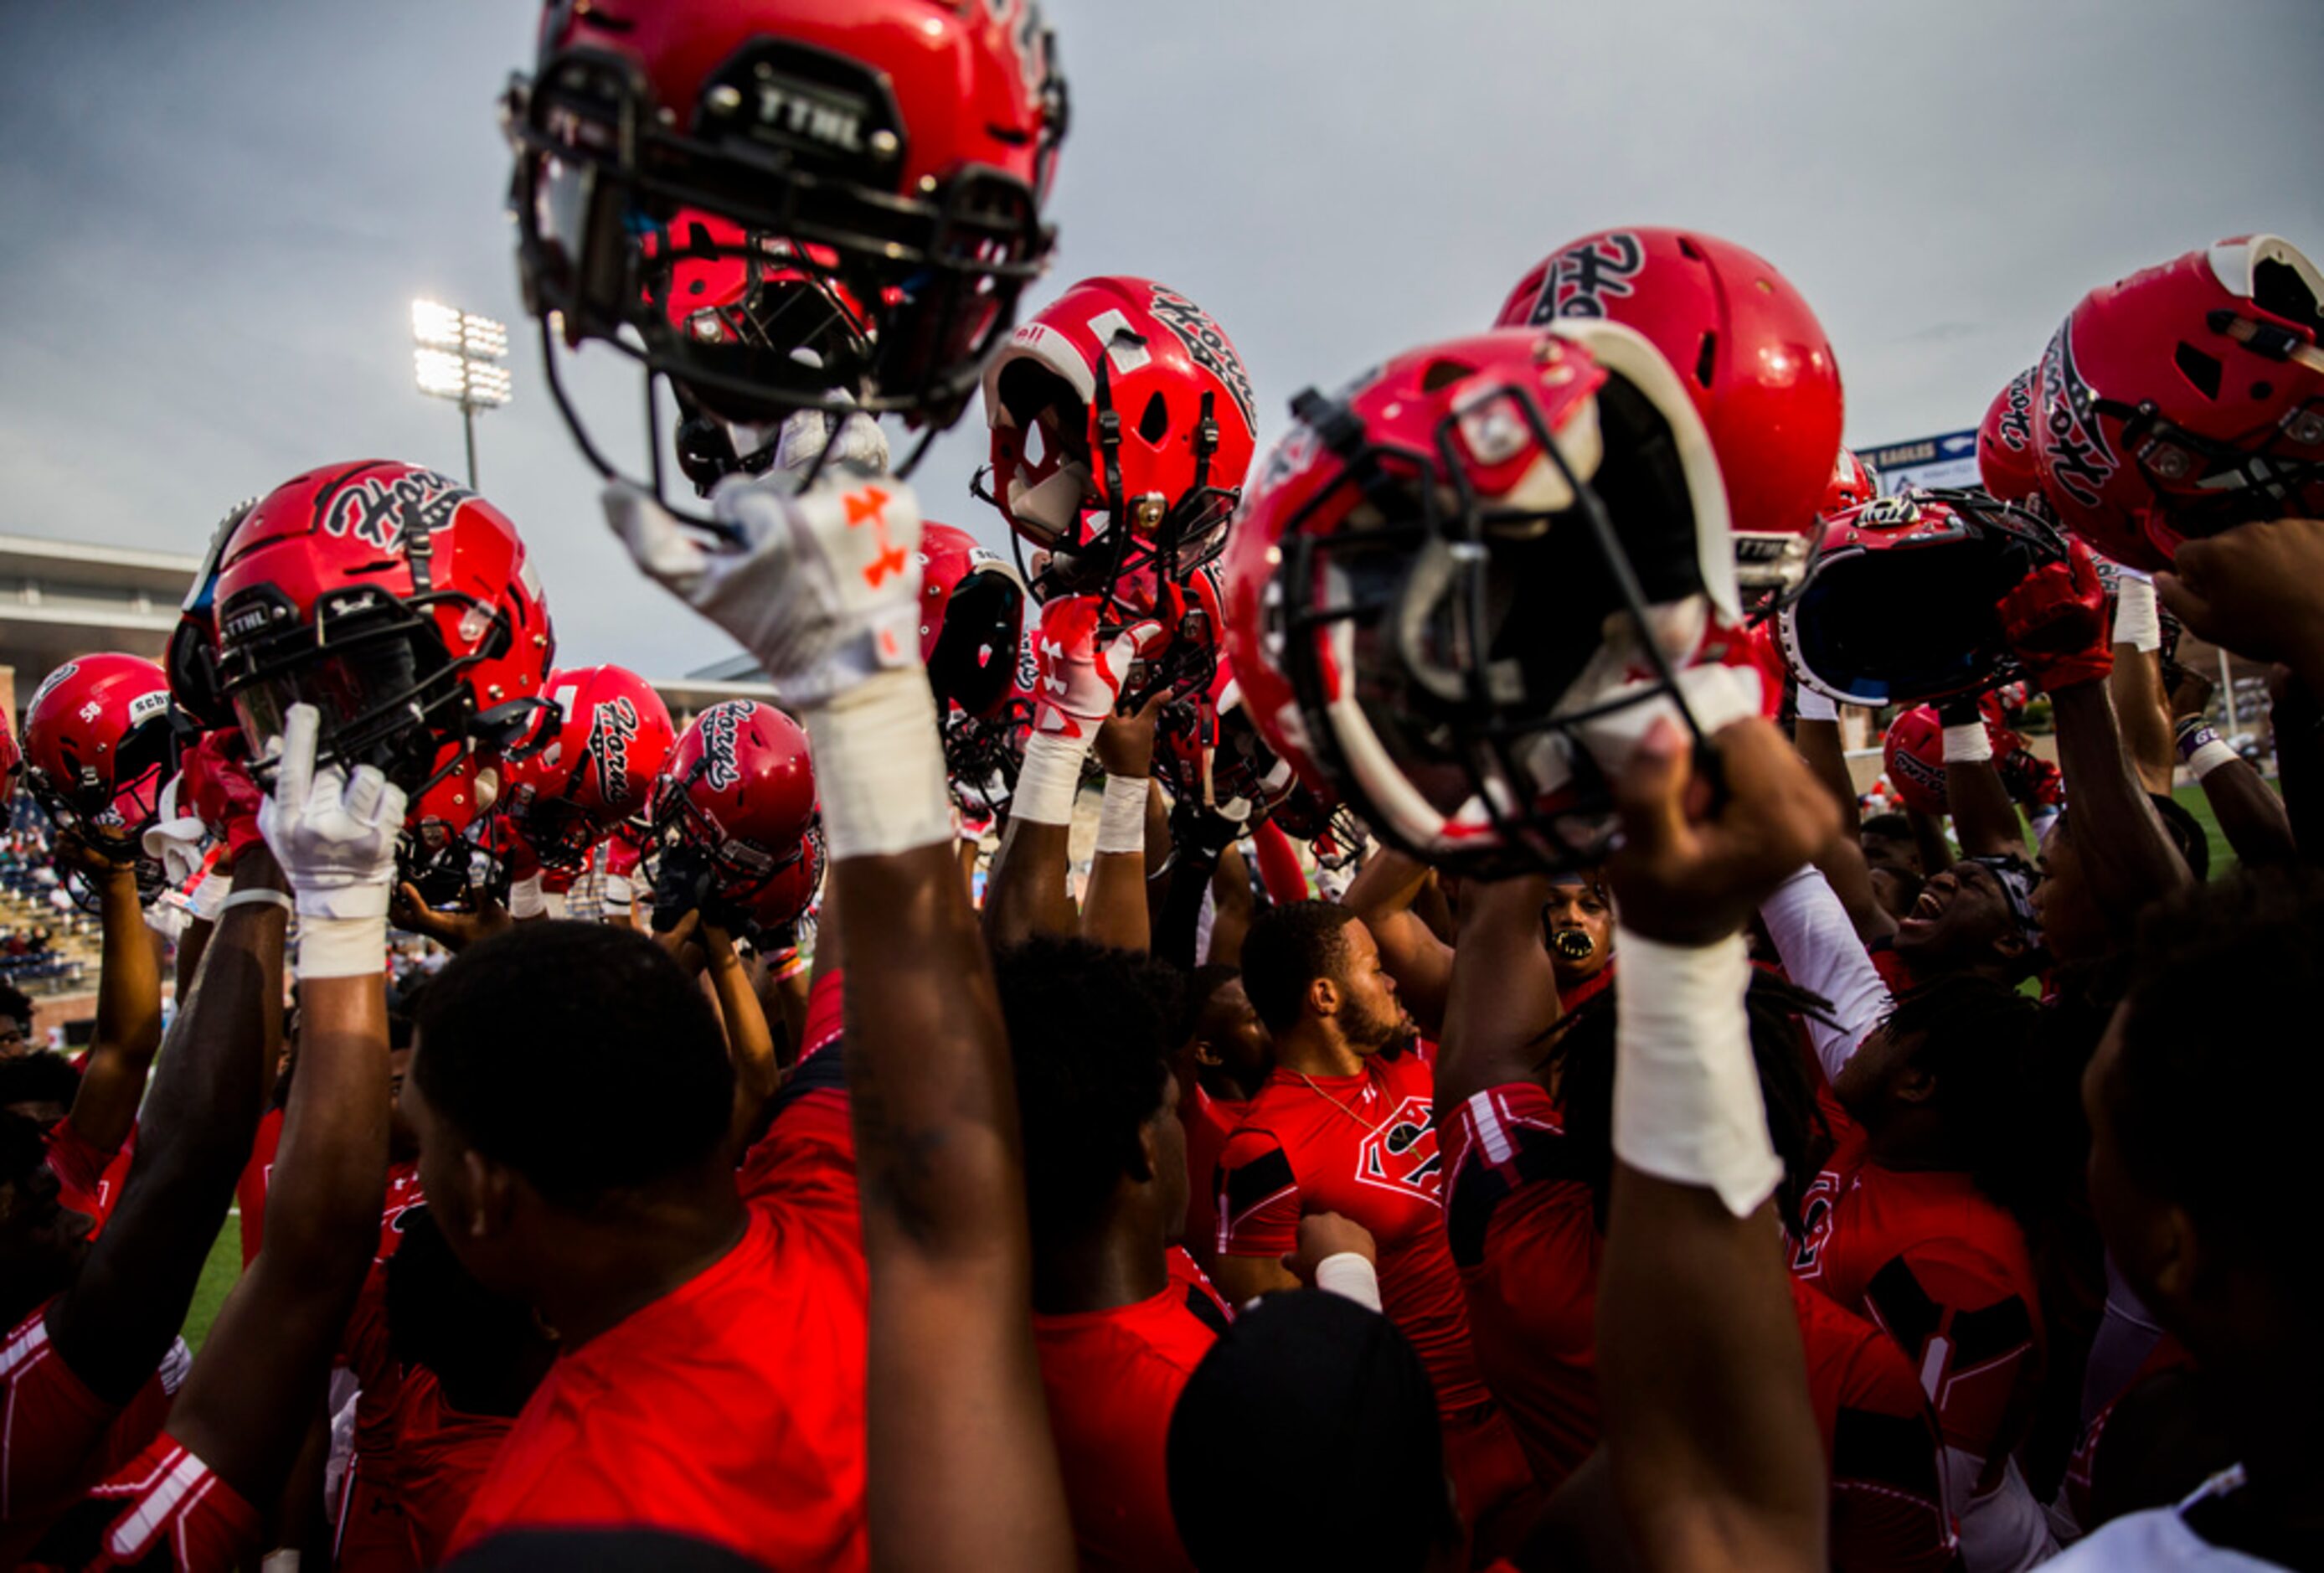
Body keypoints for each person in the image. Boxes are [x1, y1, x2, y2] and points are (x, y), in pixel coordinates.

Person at [404, 915, 867, 1568]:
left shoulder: (546, 1525)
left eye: (425, 1143)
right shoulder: (839, 1191)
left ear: (485, 1190)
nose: (418, 1170)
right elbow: (870, 959)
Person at [1212, 899, 1540, 1555]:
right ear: (1324, 995)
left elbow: (1384, 900)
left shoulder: (1414, 1060)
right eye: (1373, 969)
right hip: (1434, 1441)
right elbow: (1275, 1331)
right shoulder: (1264, 1147)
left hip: (1526, 1398)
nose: (1392, 980)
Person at [997, 935, 1220, 1571]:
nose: (1184, 1129)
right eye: (1174, 1112)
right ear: (1140, 1146)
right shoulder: (1184, 1406)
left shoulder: (1005, 1322)